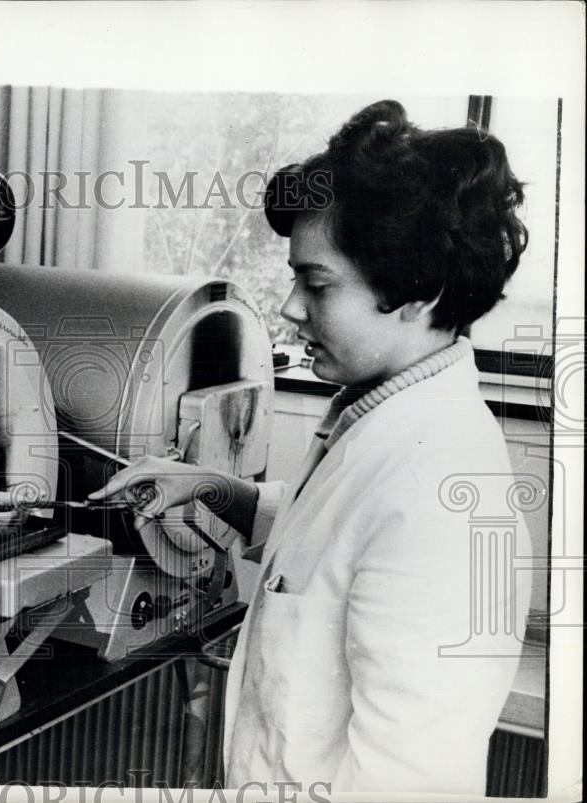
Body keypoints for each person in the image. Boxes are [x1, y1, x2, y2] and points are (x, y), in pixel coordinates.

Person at [89, 100, 533, 794]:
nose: (292, 306)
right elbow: (324, 546)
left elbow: (406, 782)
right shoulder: (381, 414)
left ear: (419, 292)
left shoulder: (441, 495)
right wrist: (209, 486)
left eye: (317, 283)